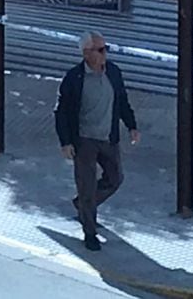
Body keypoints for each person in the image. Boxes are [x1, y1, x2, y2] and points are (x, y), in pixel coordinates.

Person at [54, 29, 140, 252]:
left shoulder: (113, 72)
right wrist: (66, 142)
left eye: (106, 49)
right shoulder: (74, 79)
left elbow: (122, 101)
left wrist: (131, 126)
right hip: (84, 141)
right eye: (100, 50)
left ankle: (83, 205)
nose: (105, 54)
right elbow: (61, 112)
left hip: (108, 138)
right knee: (87, 187)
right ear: (86, 54)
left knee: (115, 178)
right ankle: (89, 232)